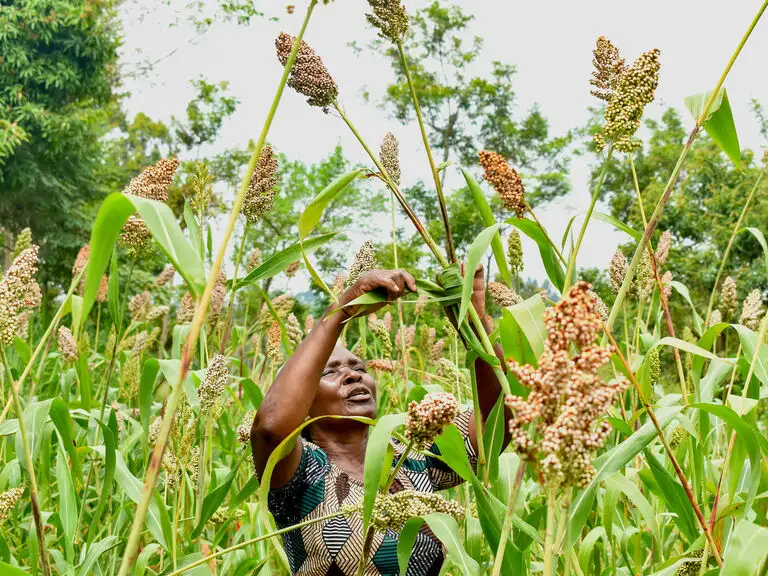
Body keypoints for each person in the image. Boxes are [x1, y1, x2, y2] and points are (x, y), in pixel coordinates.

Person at [251, 267, 510, 575]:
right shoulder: (301, 473)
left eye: (358, 367)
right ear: (302, 399)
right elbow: (271, 426)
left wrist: (473, 323)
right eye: (329, 372)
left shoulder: (412, 458)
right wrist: (342, 310)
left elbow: (496, 423)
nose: (353, 375)